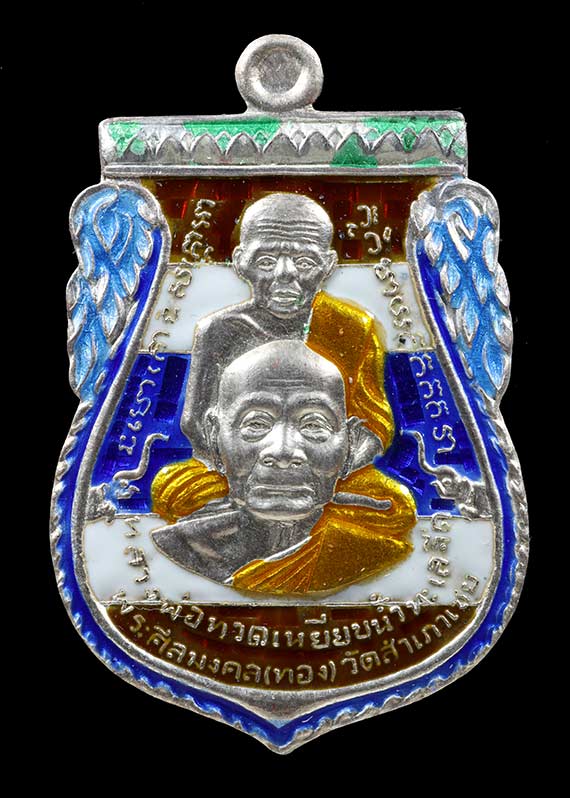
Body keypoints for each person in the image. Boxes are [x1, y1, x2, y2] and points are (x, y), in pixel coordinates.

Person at [151, 192, 416, 593]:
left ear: (327, 265)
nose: (285, 274)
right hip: (234, 466)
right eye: (266, 261)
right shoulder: (218, 330)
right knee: (175, 491)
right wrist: (232, 470)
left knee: (396, 508)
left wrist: (334, 470)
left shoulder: (351, 327)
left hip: (328, 467)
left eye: (305, 262)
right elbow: (197, 420)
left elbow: (373, 422)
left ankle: (260, 532)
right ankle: (256, 524)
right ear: (240, 261)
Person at [152, 341, 414, 592]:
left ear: (351, 445)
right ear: (214, 438)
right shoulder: (178, 547)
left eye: (314, 425)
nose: (283, 451)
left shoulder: (373, 555)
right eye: (256, 424)